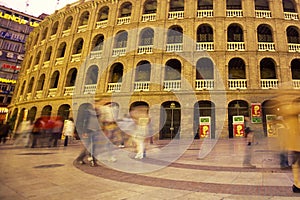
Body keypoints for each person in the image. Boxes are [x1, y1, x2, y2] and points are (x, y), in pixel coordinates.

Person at [277, 101, 300, 193]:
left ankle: (297, 185)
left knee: (296, 164)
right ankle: (297, 185)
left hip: (295, 145)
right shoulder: (292, 116)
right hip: (296, 145)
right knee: (296, 164)